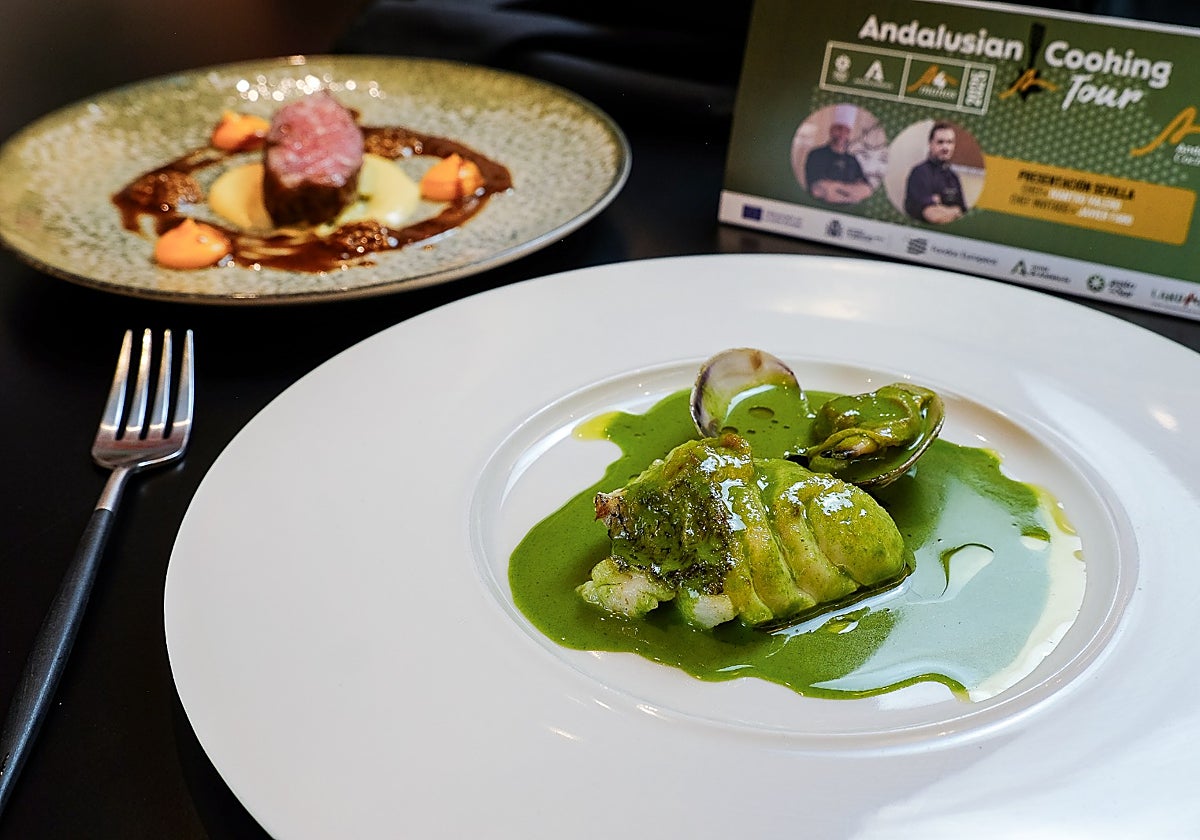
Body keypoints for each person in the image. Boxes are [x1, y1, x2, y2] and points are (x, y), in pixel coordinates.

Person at [804, 105, 873, 204]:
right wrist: (850, 191)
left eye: (847, 131)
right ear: (831, 130)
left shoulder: (852, 159)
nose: (842, 135)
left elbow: (866, 189)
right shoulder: (816, 154)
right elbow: (817, 189)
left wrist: (835, 187)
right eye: (839, 129)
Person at [904, 121, 968, 224]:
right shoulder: (919, 173)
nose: (946, 147)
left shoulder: (953, 177)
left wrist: (943, 208)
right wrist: (953, 211)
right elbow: (934, 217)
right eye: (940, 142)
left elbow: (962, 211)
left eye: (950, 142)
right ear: (930, 144)